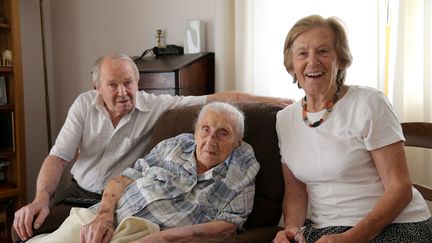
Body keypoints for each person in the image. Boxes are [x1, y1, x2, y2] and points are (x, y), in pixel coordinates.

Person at [12, 52, 292, 241]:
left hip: (124, 202)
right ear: (96, 86)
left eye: (128, 83)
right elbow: (58, 156)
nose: (122, 92)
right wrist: (40, 200)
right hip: (82, 193)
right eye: (113, 84)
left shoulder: (157, 105)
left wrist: (274, 100)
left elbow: (215, 99)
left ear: (138, 82)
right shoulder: (84, 105)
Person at [274, 15, 432, 243]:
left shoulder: (369, 103)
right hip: (325, 231)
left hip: (395, 225)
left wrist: (351, 238)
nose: (312, 61)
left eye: (323, 51)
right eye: (302, 53)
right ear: (291, 64)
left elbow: (400, 189)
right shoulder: (284, 119)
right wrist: (291, 230)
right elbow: (296, 193)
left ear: (342, 60)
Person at [27, 102, 259, 243]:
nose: (210, 141)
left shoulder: (243, 169)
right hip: (102, 218)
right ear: (196, 132)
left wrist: (164, 237)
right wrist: (104, 217)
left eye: (223, 134)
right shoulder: (174, 145)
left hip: (145, 233)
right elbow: (122, 179)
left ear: (238, 142)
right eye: (205, 130)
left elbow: (228, 225)